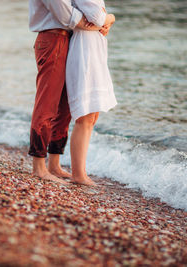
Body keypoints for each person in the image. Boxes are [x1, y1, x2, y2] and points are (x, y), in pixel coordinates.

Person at [28, 0, 114, 184]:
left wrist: (102, 21)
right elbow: (68, 17)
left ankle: (54, 164)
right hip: (53, 39)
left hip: (67, 39)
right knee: (47, 103)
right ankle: (39, 167)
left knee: (64, 108)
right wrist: (105, 20)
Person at [66, 0, 117, 186]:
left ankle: (81, 171)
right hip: (84, 50)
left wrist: (108, 18)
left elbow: (98, 19)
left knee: (92, 115)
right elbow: (98, 18)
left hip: (93, 47)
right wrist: (109, 17)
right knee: (84, 116)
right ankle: (78, 174)